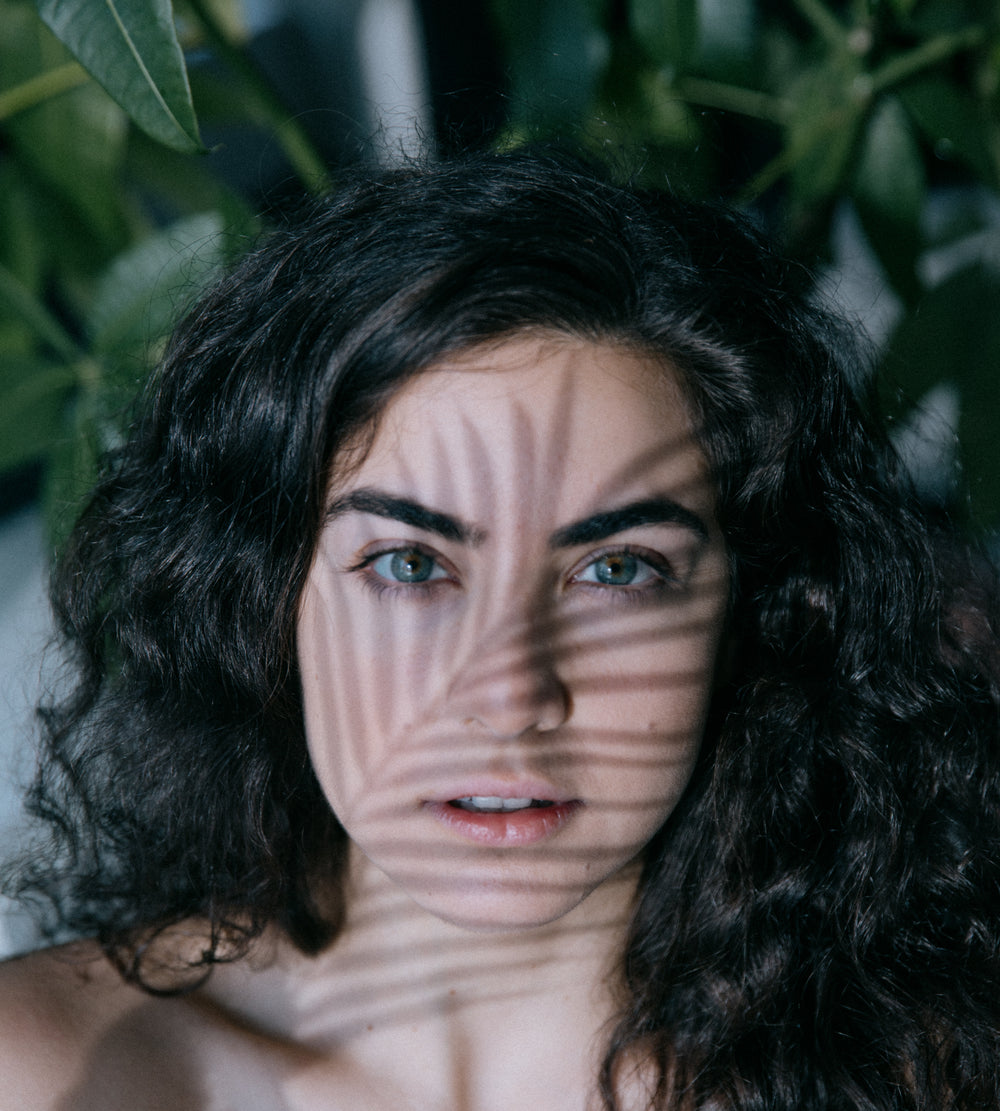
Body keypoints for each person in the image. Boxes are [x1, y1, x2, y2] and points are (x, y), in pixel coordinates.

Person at [1, 148, 998, 1110]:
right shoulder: (43, 1070)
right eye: (409, 565)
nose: (510, 692)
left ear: (751, 621)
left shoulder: (922, 1076)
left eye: (616, 570)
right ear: (267, 602)